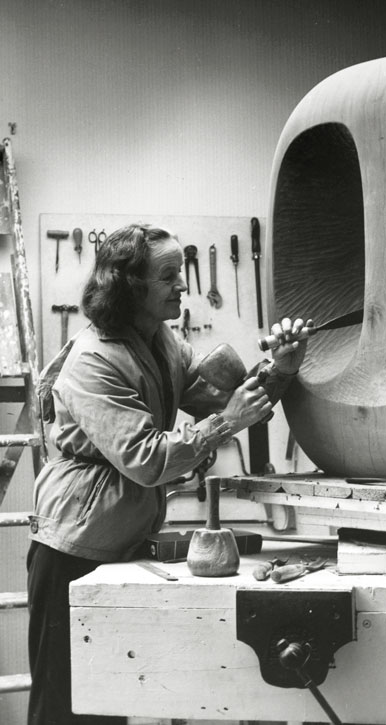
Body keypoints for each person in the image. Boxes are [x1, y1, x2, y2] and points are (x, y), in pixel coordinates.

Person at [27, 223, 309, 725]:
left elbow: (230, 400)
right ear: (129, 285)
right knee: (64, 710)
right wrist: (226, 423)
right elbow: (149, 460)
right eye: (169, 276)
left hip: (123, 547)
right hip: (71, 552)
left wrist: (281, 369)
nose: (184, 286)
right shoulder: (94, 361)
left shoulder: (160, 340)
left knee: (112, 702)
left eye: (181, 272)